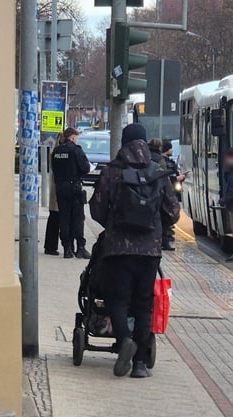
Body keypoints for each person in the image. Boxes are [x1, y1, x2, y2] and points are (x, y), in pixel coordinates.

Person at [90, 123, 180, 379]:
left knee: (118, 300)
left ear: (124, 142)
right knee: (143, 304)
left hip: (118, 249)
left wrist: (113, 224)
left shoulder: (112, 171)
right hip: (150, 252)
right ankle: (140, 363)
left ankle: (124, 340)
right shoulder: (158, 172)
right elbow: (173, 213)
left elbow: (96, 209)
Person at [52, 127, 91, 259]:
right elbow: (85, 168)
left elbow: (54, 169)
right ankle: (80, 247)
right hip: (74, 188)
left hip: (61, 188)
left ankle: (67, 248)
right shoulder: (76, 150)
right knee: (78, 218)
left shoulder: (56, 151)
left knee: (64, 218)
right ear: (73, 137)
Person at [43, 134, 65, 256]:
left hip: (55, 188)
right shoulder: (61, 152)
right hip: (60, 189)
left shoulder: (54, 152)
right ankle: (56, 246)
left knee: (53, 218)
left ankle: (50, 246)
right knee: (57, 219)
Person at [160, 140, 184, 251]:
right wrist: (176, 179)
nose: (172, 150)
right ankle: (165, 241)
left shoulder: (169, 162)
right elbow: (166, 177)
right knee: (167, 218)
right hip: (167, 194)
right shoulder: (163, 162)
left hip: (171, 193)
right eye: (170, 148)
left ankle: (166, 239)